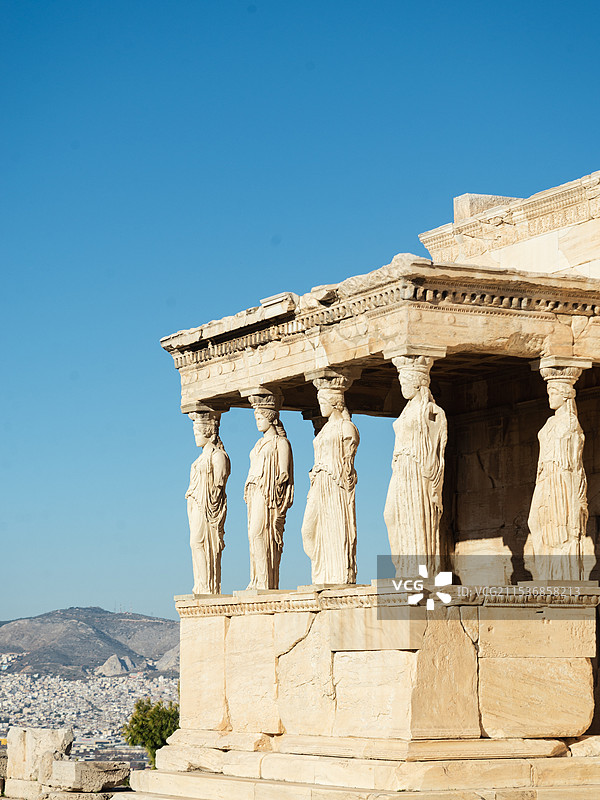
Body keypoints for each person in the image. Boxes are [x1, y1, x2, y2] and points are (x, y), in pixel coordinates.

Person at [384, 357, 447, 579]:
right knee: (391, 515)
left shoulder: (431, 411)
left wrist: (432, 480)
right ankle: (405, 568)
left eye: (406, 381)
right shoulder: (407, 410)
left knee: (416, 517)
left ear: (418, 383)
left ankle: (421, 572)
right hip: (401, 469)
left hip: (418, 471)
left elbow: (438, 447)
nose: (402, 386)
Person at [527, 377, 589, 581]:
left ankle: (562, 576)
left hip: (562, 478)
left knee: (561, 528)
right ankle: (546, 573)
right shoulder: (550, 421)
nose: (549, 398)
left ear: (564, 396)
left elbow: (574, 462)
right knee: (534, 522)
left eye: (553, 394)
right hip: (546, 476)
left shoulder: (571, 421)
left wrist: (575, 498)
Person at [301, 386, 359, 585]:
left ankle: (338, 574)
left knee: (336, 525)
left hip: (336, 483)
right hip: (319, 482)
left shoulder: (347, 428)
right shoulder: (325, 428)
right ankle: (322, 571)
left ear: (335, 403)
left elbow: (348, 462)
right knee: (308, 530)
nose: (321, 407)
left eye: (324, 402)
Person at [245, 402, 294, 589]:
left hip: (268, 494)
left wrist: (276, 484)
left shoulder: (281, 443)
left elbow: (284, 473)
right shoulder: (258, 443)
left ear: (270, 418)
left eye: (260, 418)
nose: (257, 423)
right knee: (253, 535)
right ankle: (256, 579)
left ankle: (266, 582)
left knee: (260, 533)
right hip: (254, 491)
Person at [186, 413, 230, 595]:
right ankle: (201, 585)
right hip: (196, 505)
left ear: (209, 432)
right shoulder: (199, 459)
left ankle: (209, 586)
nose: (195, 435)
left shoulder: (218, 456)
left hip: (208, 507)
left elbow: (219, 483)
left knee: (203, 542)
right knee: (195, 543)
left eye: (198, 432)